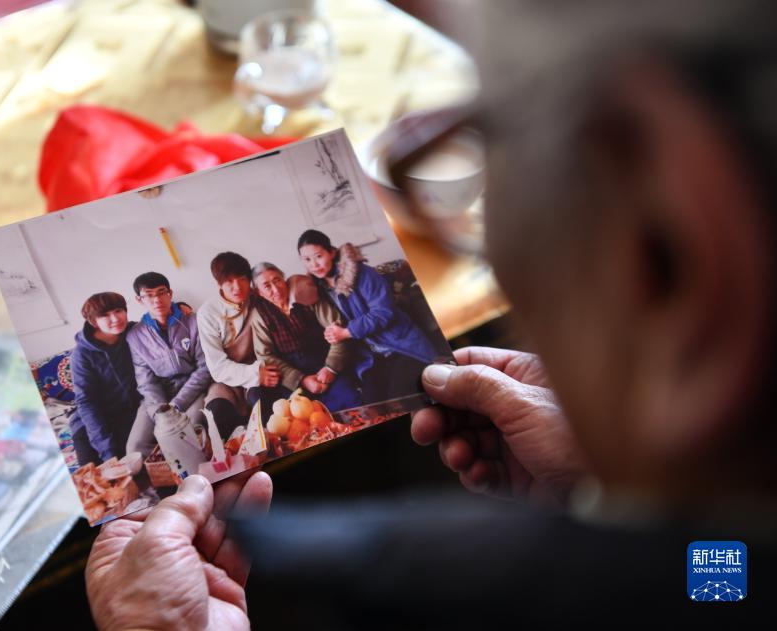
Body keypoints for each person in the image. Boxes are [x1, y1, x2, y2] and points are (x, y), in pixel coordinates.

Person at [85, 0, 777, 625]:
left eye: (487, 137)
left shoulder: (423, 593)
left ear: (671, 258)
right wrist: (607, 479)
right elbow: (719, 581)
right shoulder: (721, 569)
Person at [297, 228, 439, 401]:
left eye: (319, 256)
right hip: (371, 357)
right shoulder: (318, 288)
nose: (314, 265)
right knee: (371, 403)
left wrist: (346, 332)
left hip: (400, 346)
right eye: (307, 259)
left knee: (400, 400)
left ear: (332, 252)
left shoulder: (362, 273)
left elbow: (383, 312)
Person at [249, 262, 361, 412]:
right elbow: (266, 356)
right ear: (259, 292)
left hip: (325, 361)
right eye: (267, 286)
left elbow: (337, 328)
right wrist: (301, 379)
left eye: (277, 280)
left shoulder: (306, 294)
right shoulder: (259, 315)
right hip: (290, 371)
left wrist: (330, 368)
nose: (276, 289)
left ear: (284, 278)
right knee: (302, 414)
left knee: (352, 404)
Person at [196, 252, 283, 437]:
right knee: (217, 412)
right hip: (226, 377)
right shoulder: (207, 313)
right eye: (229, 281)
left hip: (261, 365)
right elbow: (217, 367)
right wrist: (255, 374)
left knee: (263, 405)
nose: (237, 287)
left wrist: (260, 372)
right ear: (219, 283)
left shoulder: (258, 297)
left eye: (242, 279)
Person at [125, 272, 212, 457]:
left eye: (161, 292)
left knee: (191, 430)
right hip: (158, 396)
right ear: (139, 300)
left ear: (170, 294)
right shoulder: (135, 335)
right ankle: (164, 471)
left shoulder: (193, 321)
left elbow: (204, 368)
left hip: (192, 390)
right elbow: (145, 381)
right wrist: (160, 410)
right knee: (135, 448)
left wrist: (177, 404)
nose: (157, 300)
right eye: (149, 295)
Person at [69, 291, 147, 467]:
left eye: (118, 311)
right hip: (94, 420)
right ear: (93, 322)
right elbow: (86, 403)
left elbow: (160, 320)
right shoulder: (81, 355)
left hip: (132, 413)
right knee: (96, 472)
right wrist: (107, 450)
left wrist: (181, 308)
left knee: (140, 461)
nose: (115, 318)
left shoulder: (135, 332)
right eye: (105, 315)